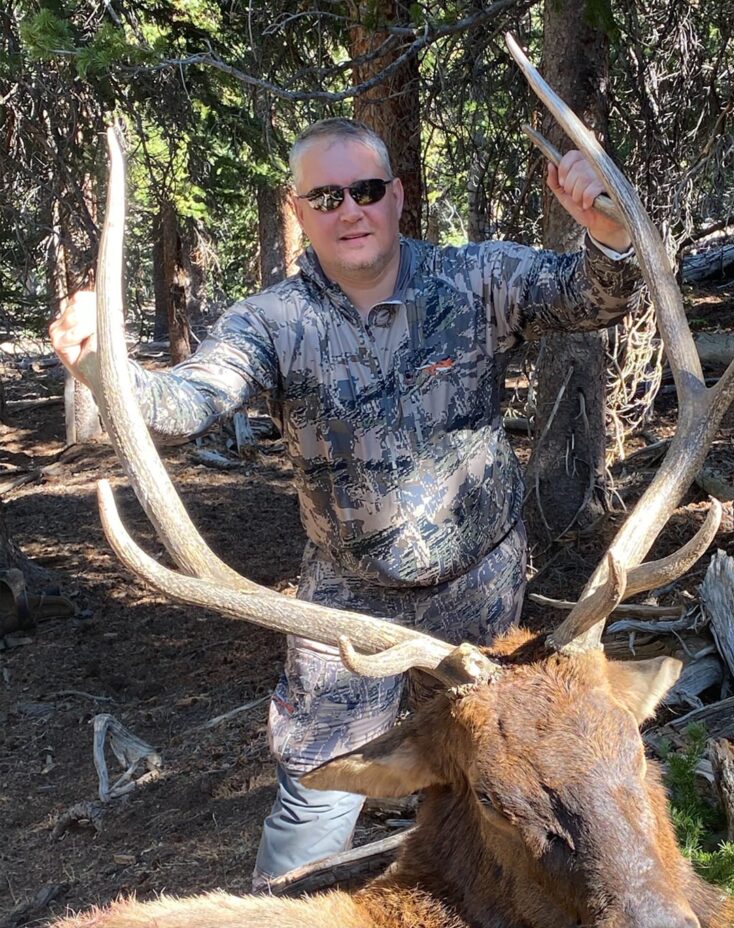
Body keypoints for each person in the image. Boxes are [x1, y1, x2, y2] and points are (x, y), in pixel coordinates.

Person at [50, 118, 641, 890]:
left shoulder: (478, 279)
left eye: (365, 190)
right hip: (345, 605)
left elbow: (595, 296)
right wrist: (101, 365)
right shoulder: (272, 322)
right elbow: (181, 401)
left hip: (483, 586)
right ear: (298, 212)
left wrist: (609, 232)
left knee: (498, 778)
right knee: (317, 796)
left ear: (396, 198)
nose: (350, 210)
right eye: (326, 197)